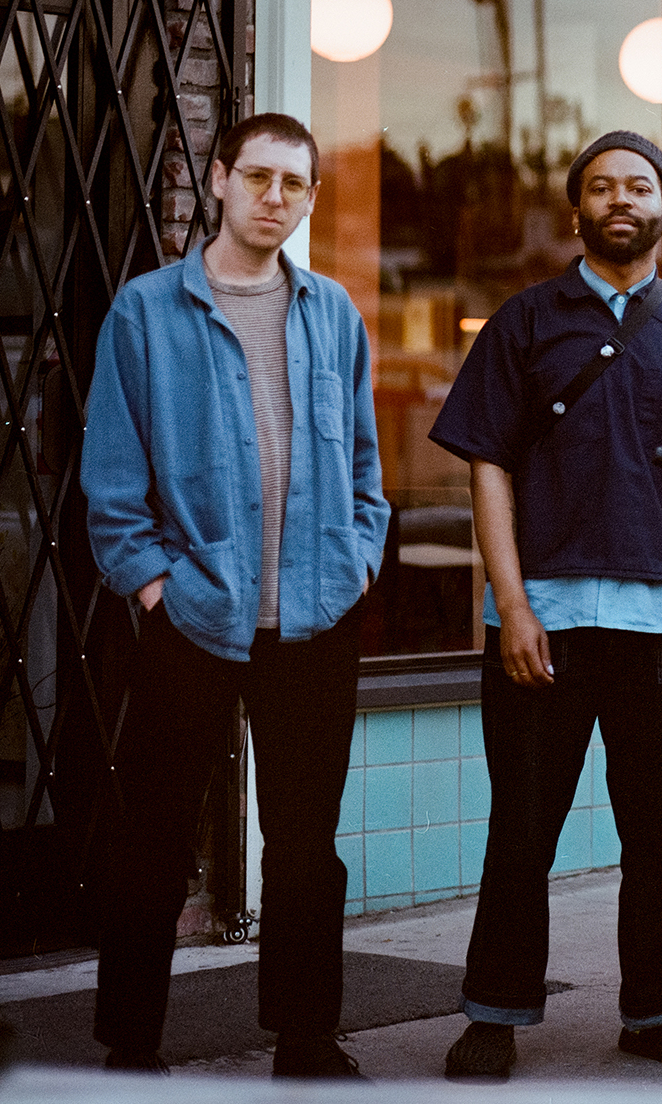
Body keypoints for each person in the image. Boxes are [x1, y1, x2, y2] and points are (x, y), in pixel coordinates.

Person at [429, 131, 662, 1081]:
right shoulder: (525, 322)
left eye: (637, 185)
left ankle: (657, 1011)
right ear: (576, 210)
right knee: (521, 831)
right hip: (541, 621)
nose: (619, 198)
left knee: (659, 840)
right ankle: (495, 1011)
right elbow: (489, 466)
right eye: (600, 186)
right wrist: (510, 602)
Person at [81, 113, 389, 1078]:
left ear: (310, 199)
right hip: (194, 615)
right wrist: (152, 585)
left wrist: (359, 558)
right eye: (258, 176)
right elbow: (112, 476)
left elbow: (366, 465)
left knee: (306, 844)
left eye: (294, 184)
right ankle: (132, 1044)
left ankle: (305, 1038)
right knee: (154, 835)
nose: (274, 198)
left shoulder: (332, 312)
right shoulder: (146, 311)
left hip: (316, 616)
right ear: (219, 179)